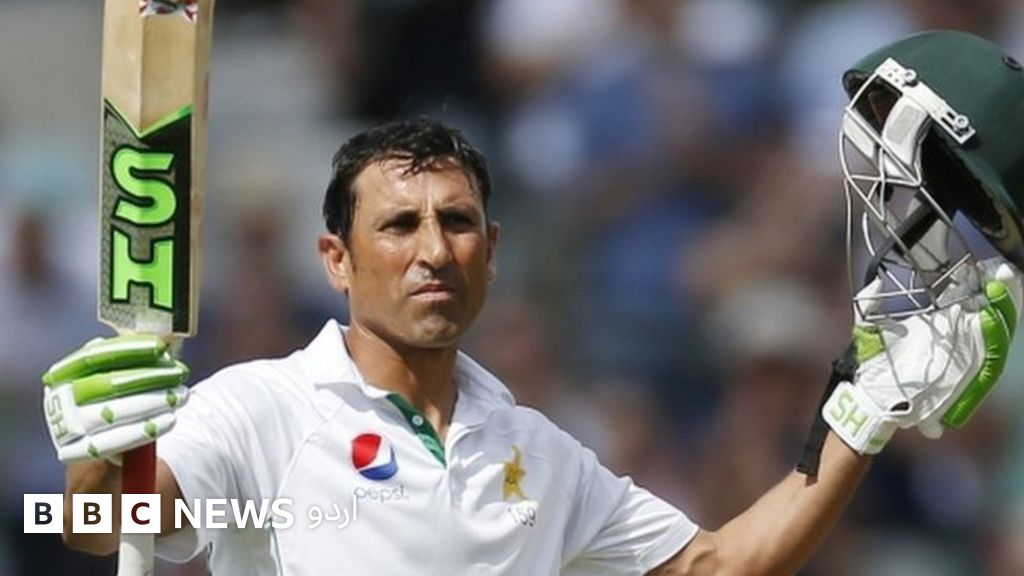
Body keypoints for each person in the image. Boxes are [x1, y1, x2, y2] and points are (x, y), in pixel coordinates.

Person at [43, 30, 1024, 575]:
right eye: (399, 226)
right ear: (335, 260)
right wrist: (94, 457)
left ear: (494, 252)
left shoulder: (539, 453)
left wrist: (860, 414)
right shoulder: (261, 408)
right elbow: (93, 523)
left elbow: (717, 566)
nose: (434, 250)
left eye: (457, 222)